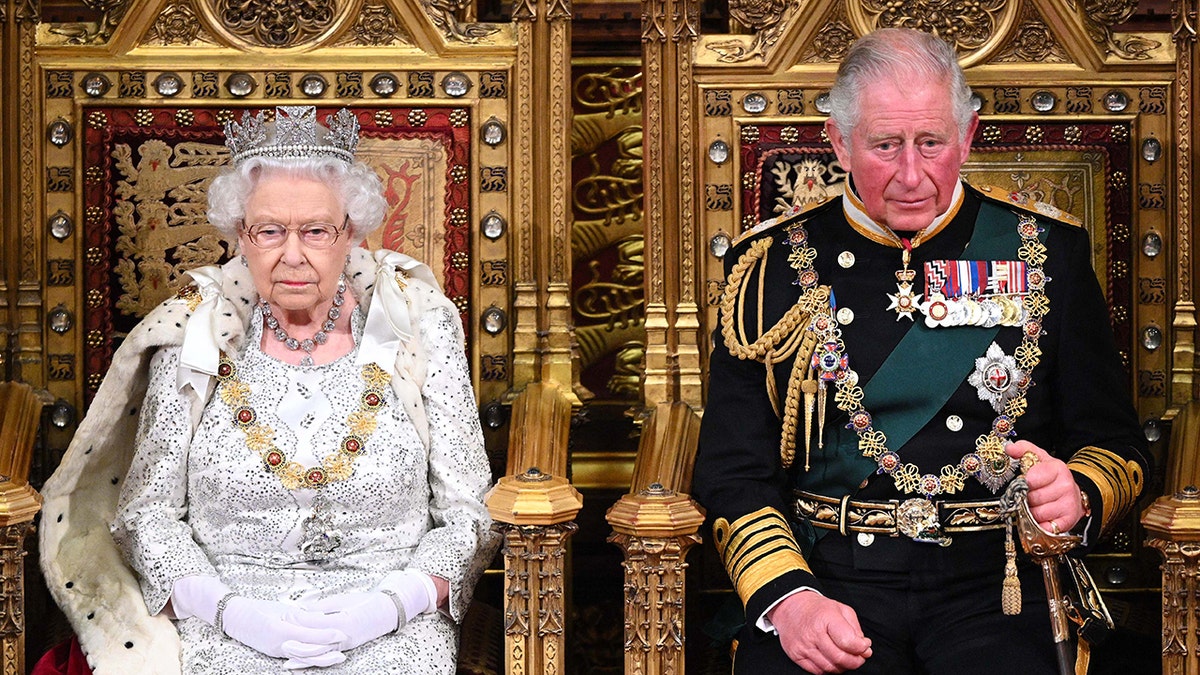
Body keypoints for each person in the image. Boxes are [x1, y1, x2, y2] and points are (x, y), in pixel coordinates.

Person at [692, 28, 1150, 675]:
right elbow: (733, 469)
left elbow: (1118, 445)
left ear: (966, 136)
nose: (912, 175)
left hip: (999, 585)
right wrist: (788, 598)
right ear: (839, 142)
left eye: (932, 143)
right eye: (885, 145)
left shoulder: (1047, 254)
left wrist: (1075, 493)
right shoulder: (766, 268)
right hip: (831, 577)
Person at [38, 105, 499, 674]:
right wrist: (228, 611)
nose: (292, 254)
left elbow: (468, 512)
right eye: (269, 231)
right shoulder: (194, 338)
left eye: (316, 231)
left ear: (351, 232)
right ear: (240, 236)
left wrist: (390, 607)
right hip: (224, 625)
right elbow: (146, 512)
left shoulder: (419, 327)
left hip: (390, 625)